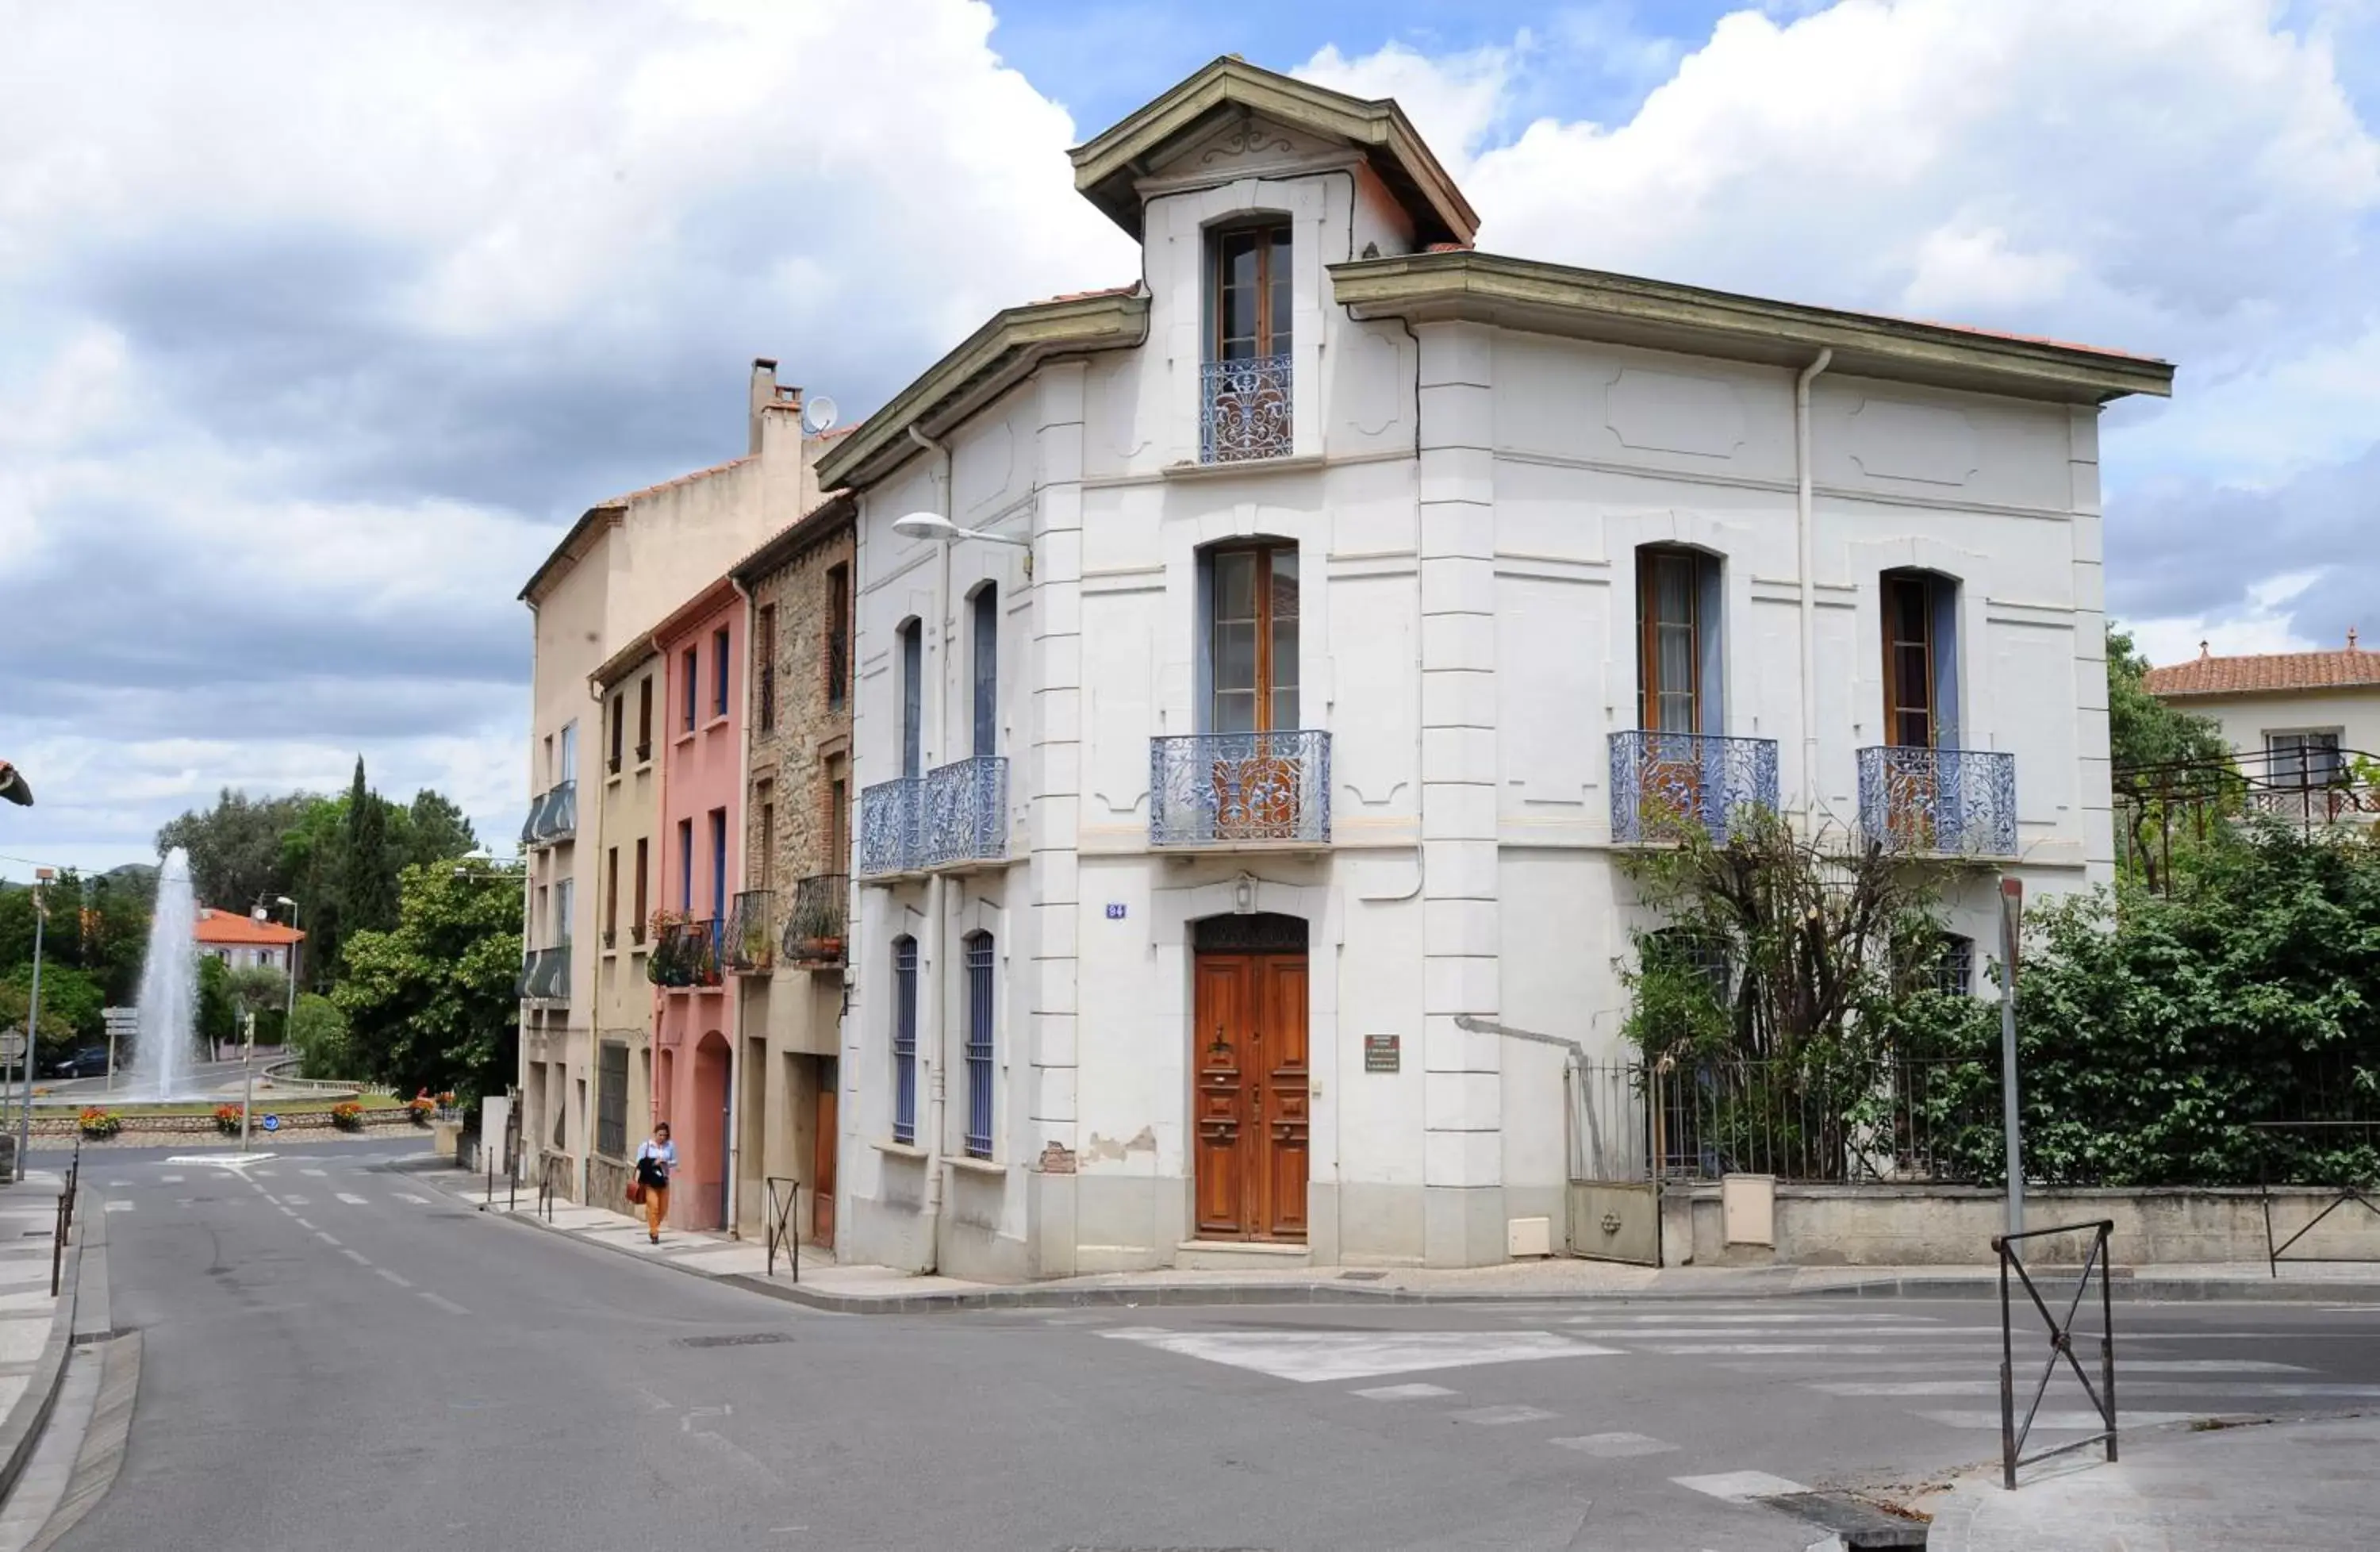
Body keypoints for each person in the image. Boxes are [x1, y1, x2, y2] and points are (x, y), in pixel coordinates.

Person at [634, 1121, 676, 1243]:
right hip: (650, 1181)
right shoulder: (646, 1146)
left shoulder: (670, 1146)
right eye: (660, 1135)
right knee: (654, 1206)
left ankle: (654, 1225)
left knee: (663, 1209)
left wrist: (666, 1162)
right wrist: (653, 1162)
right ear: (655, 1133)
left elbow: (675, 1161)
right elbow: (639, 1162)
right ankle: (654, 1233)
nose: (663, 1138)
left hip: (663, 1180)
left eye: (665, 1135)